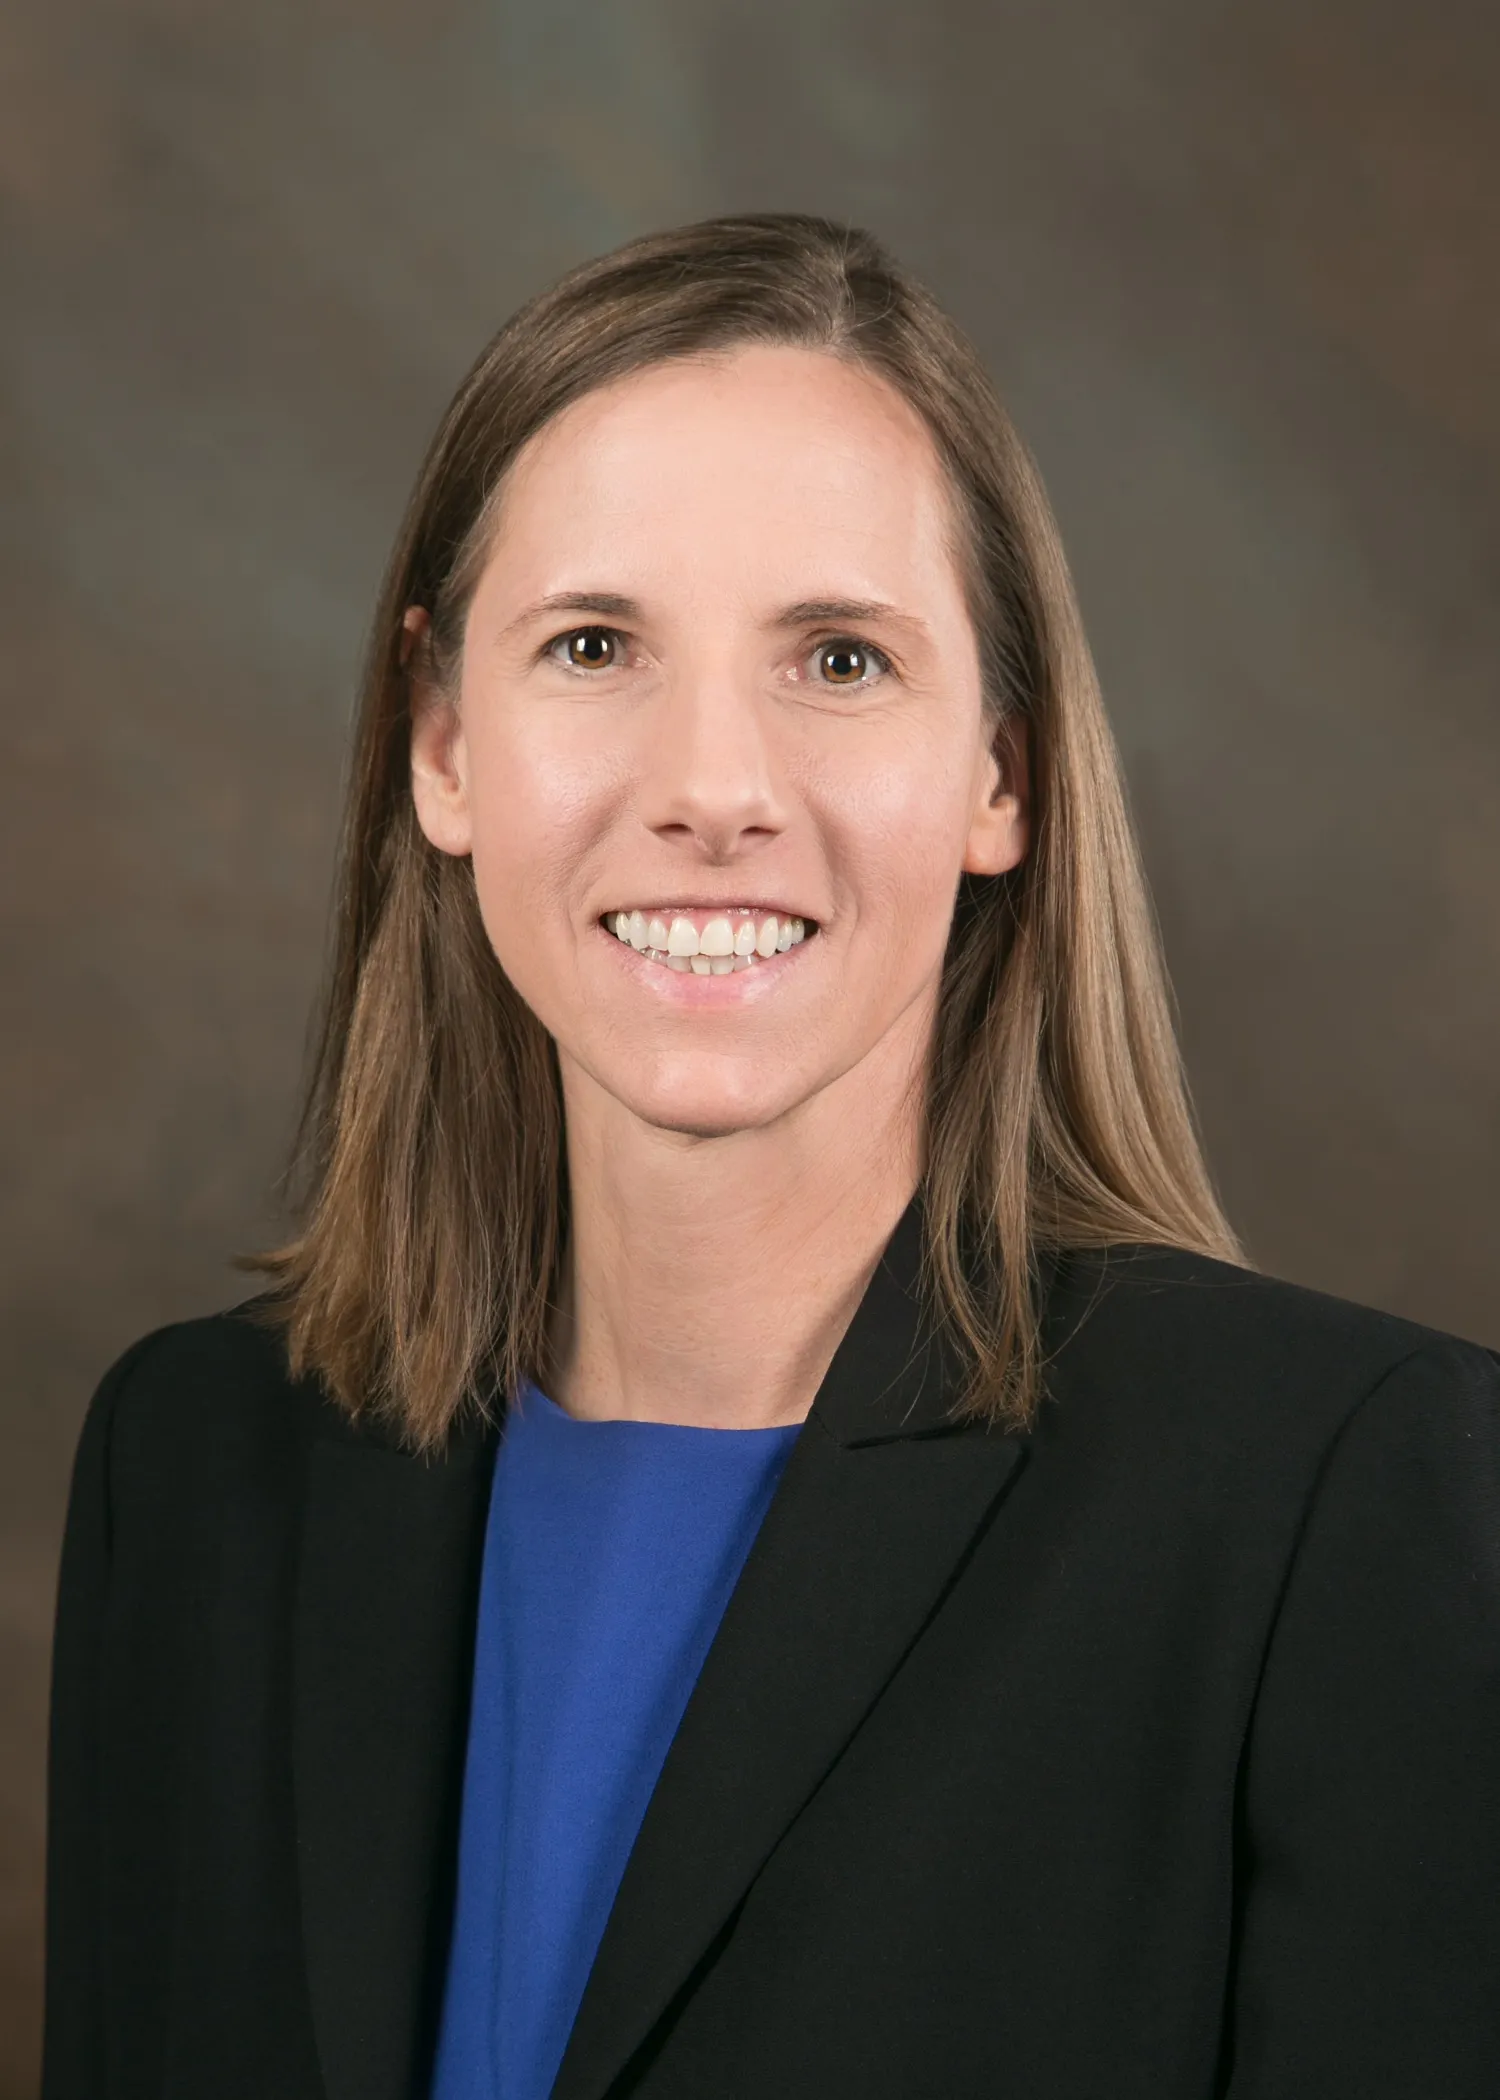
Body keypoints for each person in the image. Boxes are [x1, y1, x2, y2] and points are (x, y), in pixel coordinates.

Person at [42, 214, 1499, 2100]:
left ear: (1005, 774)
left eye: (836, 657)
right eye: (591, 644)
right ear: (442, 740)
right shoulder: (195, 1477)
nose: (713, 787)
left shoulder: (1351, 1506)